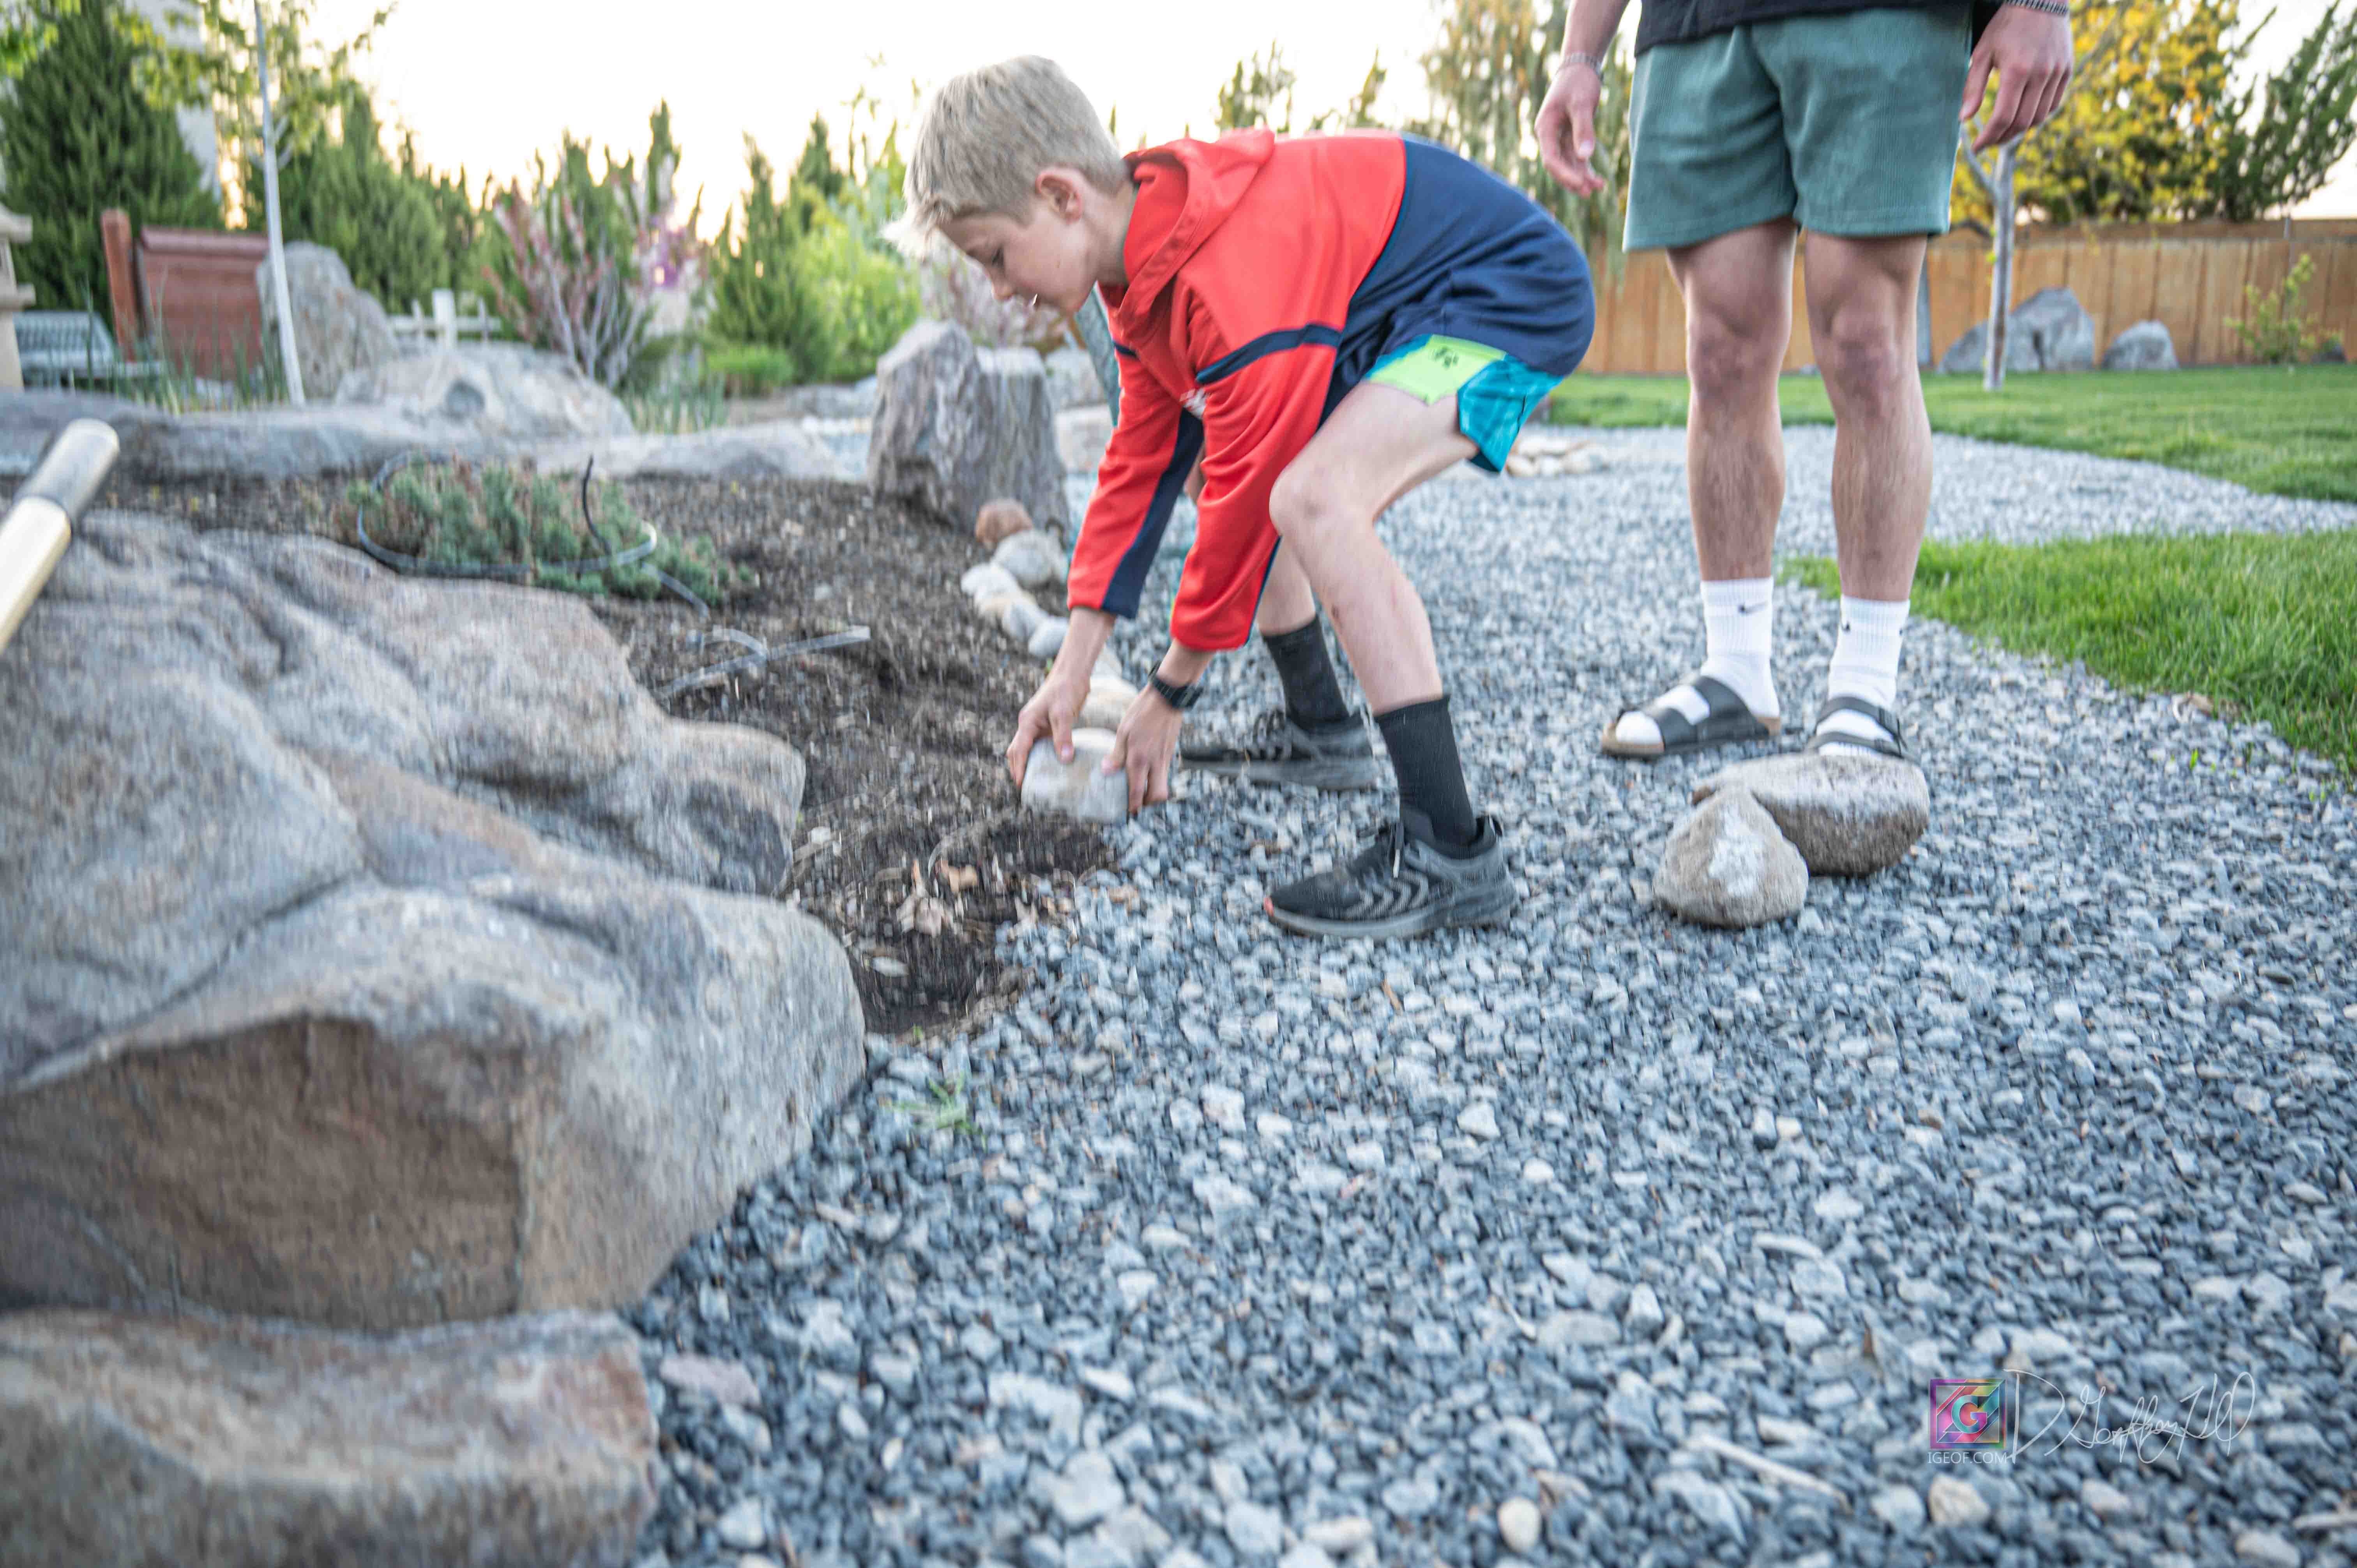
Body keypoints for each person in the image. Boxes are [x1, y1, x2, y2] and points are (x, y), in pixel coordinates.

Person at [903, 56, 1595, 939]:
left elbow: (1251, 497)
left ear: (1062, 195)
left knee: (1313, 496)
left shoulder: (1228, 270)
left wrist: (1169, 693)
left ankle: (1452, 849)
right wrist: (1070, 670)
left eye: (996, 257)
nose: (1001, 288)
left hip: (1508, 296)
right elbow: (1138, 466)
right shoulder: (1138, 277)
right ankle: (1320, 726)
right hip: (1405, 317)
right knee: (1223, 468)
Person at [1536, 0, 2074, 762]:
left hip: (1879, 17)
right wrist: (1579, 55)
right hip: (1696, 29)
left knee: (1866, 346)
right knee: (1718, 353)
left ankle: (1865, 687)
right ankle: (1736, 672)